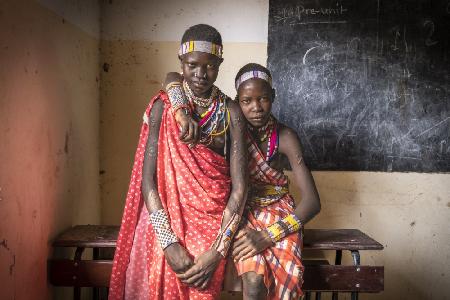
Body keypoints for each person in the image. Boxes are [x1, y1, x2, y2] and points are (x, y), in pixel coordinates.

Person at [108, 24, 248, 300]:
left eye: (209, 66)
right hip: (166, 223)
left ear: (220, 63)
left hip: (215, 225)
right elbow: (148, 182)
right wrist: (168, 242)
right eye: (192, 65)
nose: (200, 74)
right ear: (181, 62)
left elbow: (241, 188)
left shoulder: (231, 112)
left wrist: (217, 251)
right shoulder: (164, 106)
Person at [166, 63, 321, 299]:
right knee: (253, 280)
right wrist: (181, 111)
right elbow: (172, 76)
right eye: (247, 101)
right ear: (237, 101)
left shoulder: (285, 137)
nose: (256, 108)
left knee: (285, 279)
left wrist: (269, 235)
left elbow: (312, 201)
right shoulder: (228, 129)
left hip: (279, 214)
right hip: (241, 213)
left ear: (274, 97)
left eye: (263, 99)